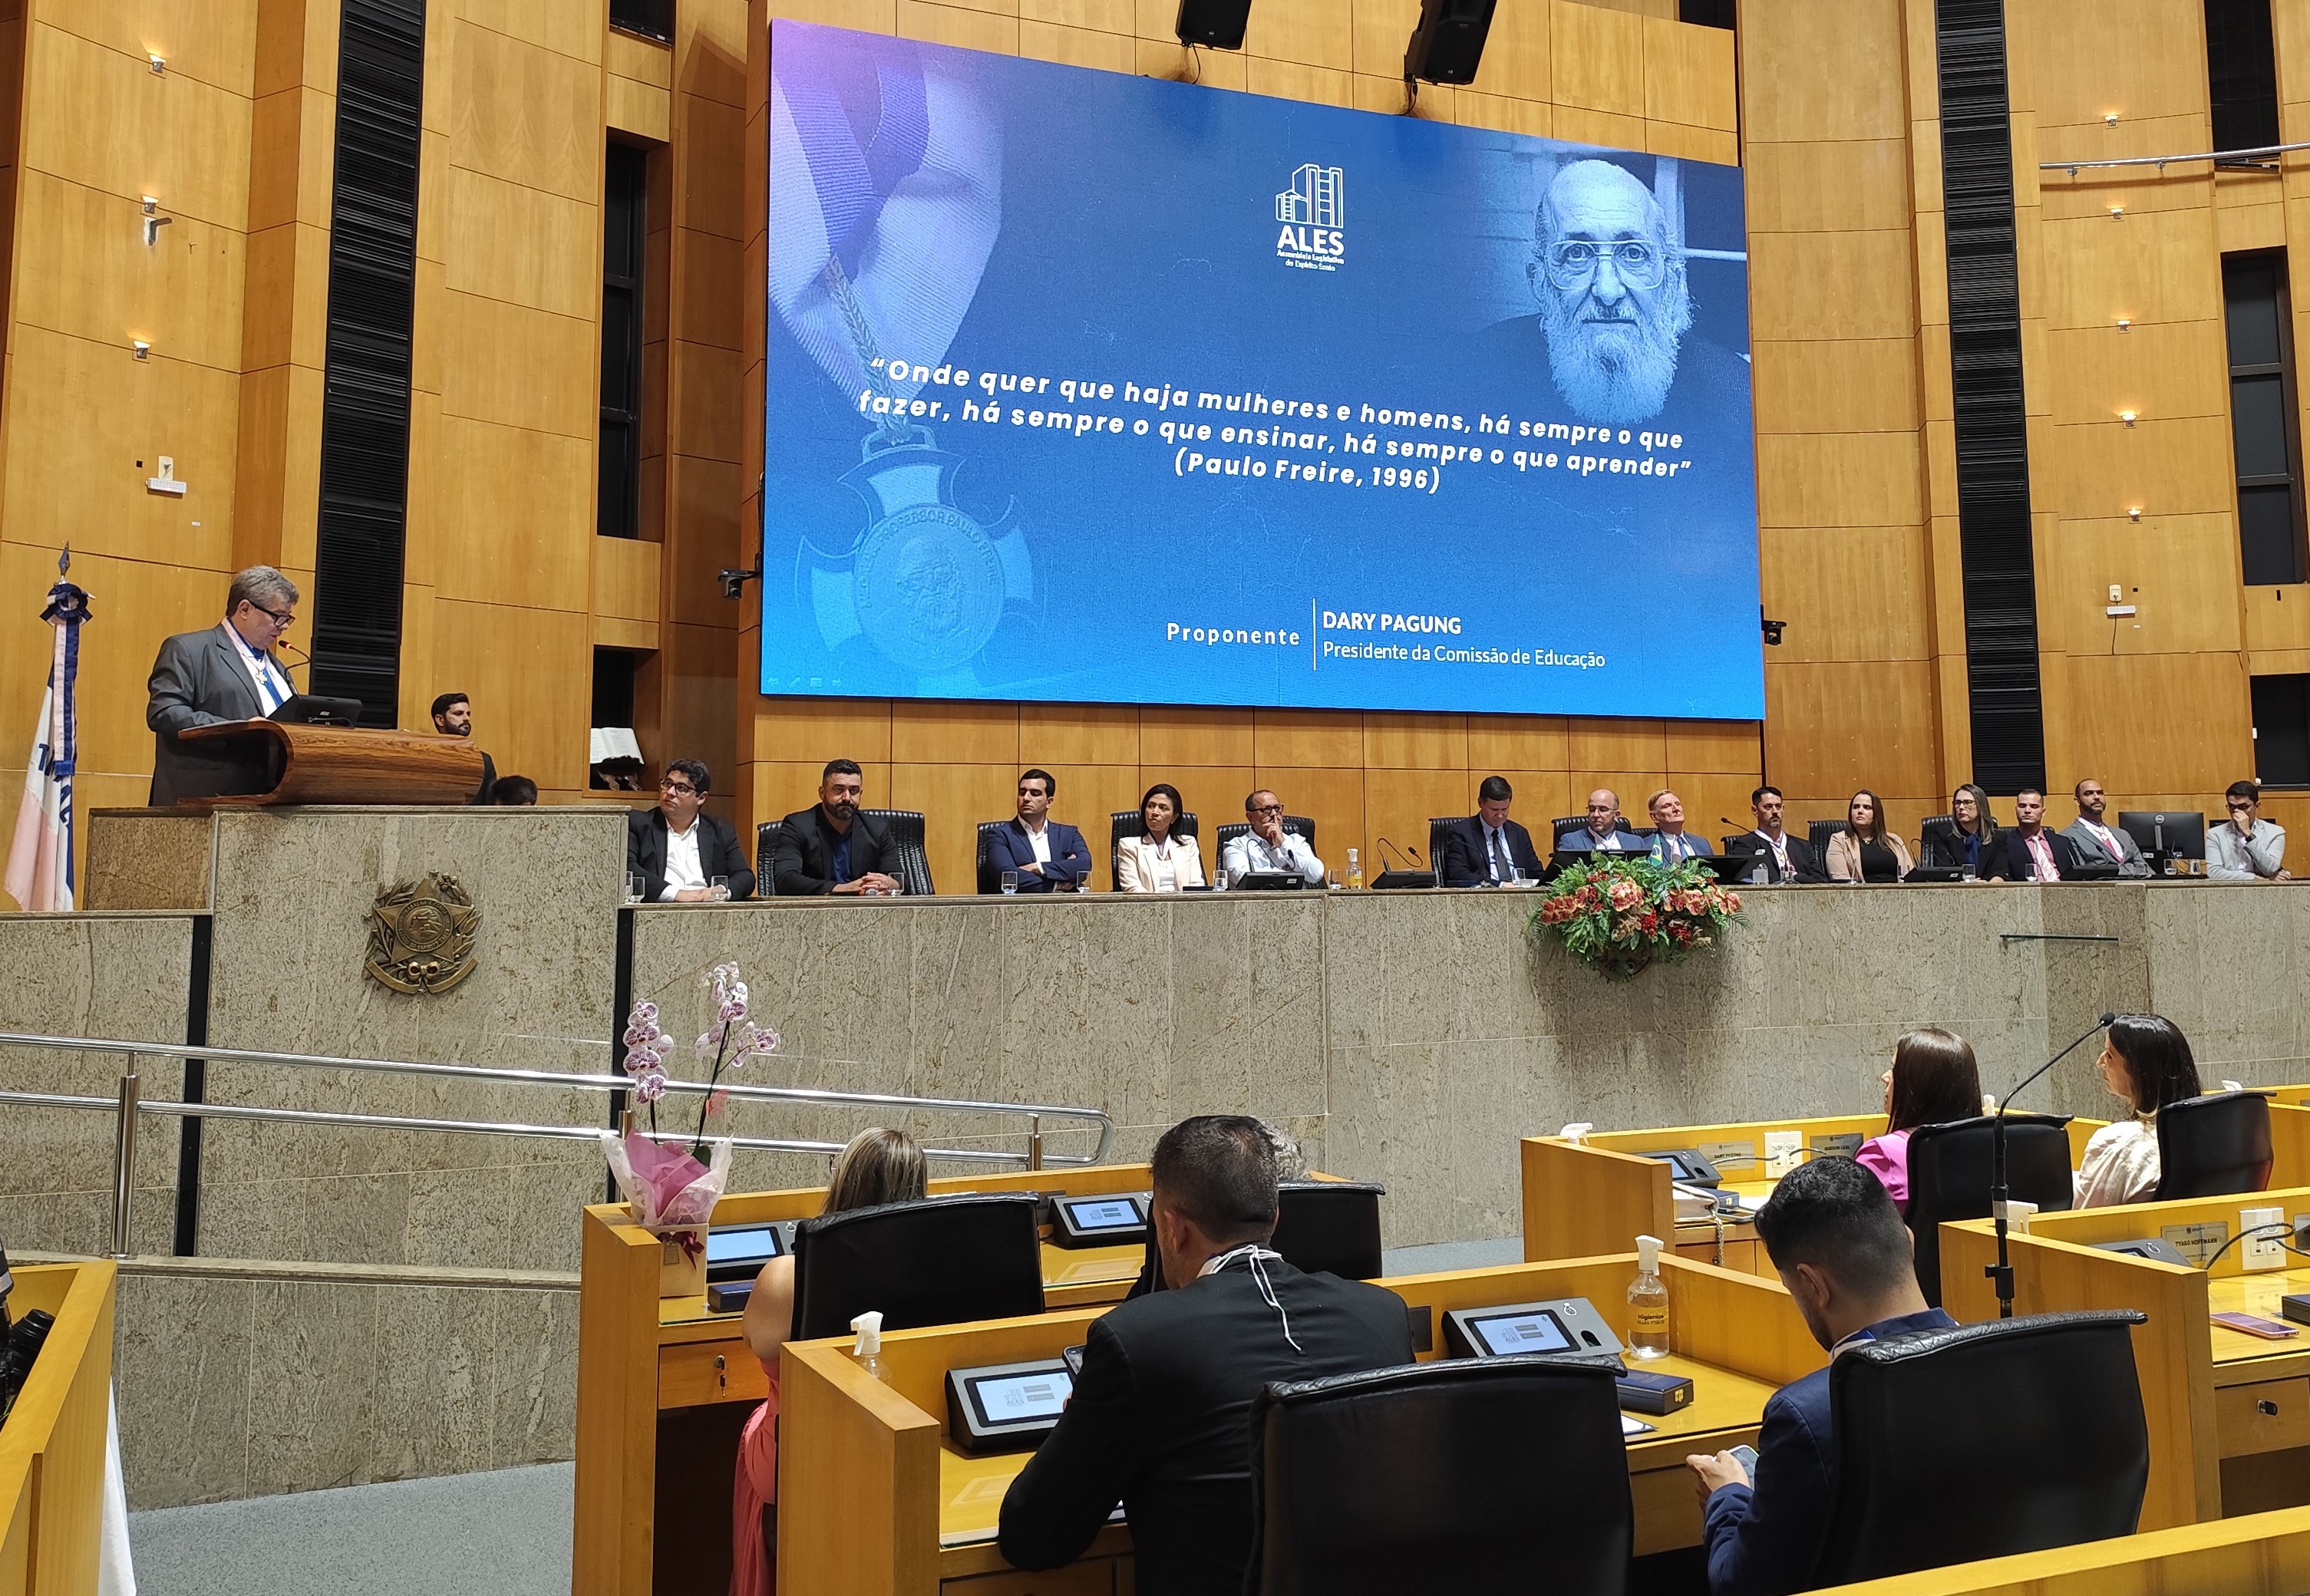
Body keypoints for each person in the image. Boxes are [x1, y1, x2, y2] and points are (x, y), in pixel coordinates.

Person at [998, 1116, 1414, 1594]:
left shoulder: (1136, 1340)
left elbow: (1032, 1536)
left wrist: (1080, 1433)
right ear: (1274, 1218)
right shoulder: (1382, 1315)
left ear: (1171, 1230)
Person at [1686, 1157, 1953, 1596]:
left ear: (1813, 1286)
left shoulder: (1810, 1414)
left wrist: (1728, 1497)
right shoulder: (2009, 1368)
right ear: (1908, 1242)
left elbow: (1741, 1587)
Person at [734, 1127, 927, 1596]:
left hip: (795, 1460)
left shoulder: (788, 1277)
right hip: (905, 1455)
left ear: (842, 1182)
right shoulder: (939, 1271)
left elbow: (754, 1338)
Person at [1476, 160, 1748, 428]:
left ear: (1672, 280)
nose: (1608, 292)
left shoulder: (1735, 394)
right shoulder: (1475, 374)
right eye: (1576, 254)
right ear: (1538, 280)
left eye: (1633, 253)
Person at [145, 565, 303, 804]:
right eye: (278, 616)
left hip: (268, 800)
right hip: (205, 800)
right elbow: (164, 713)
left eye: (288, 618)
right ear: (245, 609)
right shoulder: (189, 650)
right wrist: (240, 728)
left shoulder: (278, 668)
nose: (284, 626)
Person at [2075, 1014, 2203, 1208]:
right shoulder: (2210, 1132)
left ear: (2140, 1070)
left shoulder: (2117, 1142)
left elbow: (2083, 1219)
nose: (2100, 1062)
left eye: (2110, 1055)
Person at [1854, 1028, 1984, 1212]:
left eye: (1895, 1069)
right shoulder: (1986, 1151)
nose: (1885, 1077)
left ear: (1918, 1084)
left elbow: (1852, 1230)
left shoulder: (1882, 1155)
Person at [769, 759, 905, 896]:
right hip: (815, 912)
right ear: (822, 793)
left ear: (861, 794)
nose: (846, 797)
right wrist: (840, 888)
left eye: (853, 791)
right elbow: (785, 880)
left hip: (866, 911)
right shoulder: (798, 826)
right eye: (839, 790)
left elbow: (900, 879)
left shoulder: (877, 828)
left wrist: (891, 884)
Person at [628, 759, 754, 902]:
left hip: (708, 912)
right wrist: (675, 894)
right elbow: (628, 868)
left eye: (681, 788)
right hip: (657, 912)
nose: (670, 792)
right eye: (668, 784)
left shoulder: (720, 831)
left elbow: (745, 876)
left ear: (701, 798)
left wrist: (720, 892)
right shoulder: (638, 824)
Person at [984, 769, 1091, 892]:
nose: (1026, 798)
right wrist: (1057, 885)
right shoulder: (999, 835)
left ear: (1049, 802)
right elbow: (1008, 876)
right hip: (1019, 908)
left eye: (1035, 793)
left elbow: (1083, 865)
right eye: (1022, 792)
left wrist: (1038, 867)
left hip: (1067, 908)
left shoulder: (1069, 834)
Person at [1440, 776, 1546, 885]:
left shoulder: (1519, 833)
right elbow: (1459, 874)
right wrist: (1501, 885)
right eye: (1494, 810)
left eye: (1505, 809)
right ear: (1480, 803)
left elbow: (1536, 872)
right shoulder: (1461, 833)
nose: (1500, 815)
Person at [1219, 790, 1325, 887]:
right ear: (1250, 817)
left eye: (1277, 808)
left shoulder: (1296, 841)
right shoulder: (1236, 846)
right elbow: (1245, 881)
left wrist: (1283, 845)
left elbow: (1315, 875)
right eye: (1267, 809)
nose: (1274, 814)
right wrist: (1291, 876)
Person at [1115, 783, 1206, 892]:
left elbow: (1197, 884)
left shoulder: (1188, 843)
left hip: (1184, 906)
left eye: (1163, 808)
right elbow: (1133, 888)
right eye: (1151, 806)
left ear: (1174, 817)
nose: (1154, 812)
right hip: (1147, 906)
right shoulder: (1129, 846)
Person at [1721, 786, 1826, 883]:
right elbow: (1744, 881)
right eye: (1768, 807)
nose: (1775, 811)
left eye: (1778, 806)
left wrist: (1797, 878)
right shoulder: (1745, 846)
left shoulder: (1802, 846)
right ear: (1755, 811)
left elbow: (1821, 881)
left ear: (1783, 809)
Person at [2062, 780, 2149, 876]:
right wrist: (2126, 871)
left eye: (2100, 793)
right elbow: (2081, 873)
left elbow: (2144, 868)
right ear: (2077, 801)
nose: (2097, 797)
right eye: (2089, 794)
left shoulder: (2123, 834)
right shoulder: (2067, 836)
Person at [1824, 790, 1912, 883]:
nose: (1860, 811)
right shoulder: (1839, 840)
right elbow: (1840, 880)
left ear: (1876, 813)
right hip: (1861, 895)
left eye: (1867, 807)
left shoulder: (1894, 840)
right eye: (1856, 807)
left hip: (1898, 894)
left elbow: (1910, 875)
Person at [2209, 780, 2290, 881]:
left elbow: (2270, 869)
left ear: (2257, 806)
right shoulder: (2214, 834)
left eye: (2243, 807)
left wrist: (2248, 834)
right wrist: (2253, 878)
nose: (2236, 812)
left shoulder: (2275, 833)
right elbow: (2214, 873)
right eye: (2232, 807)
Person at [1992, 788, 2079, 882]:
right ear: (2016, 810)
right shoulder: (2005, 842)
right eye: (2022, 806)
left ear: (2043, 811)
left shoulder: (2062, 842)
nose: (2027, 810)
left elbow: (2075, 872)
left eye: (2034, 806)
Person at [1922, 783, 2005, 879]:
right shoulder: (1943, 835)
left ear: (1981, 805)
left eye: (1968, 802)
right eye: (1957, 803)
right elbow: (1946, 873)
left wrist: (1989, 885)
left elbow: (2001, 871)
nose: (1961, 807)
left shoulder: (1999, 838)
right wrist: (1970, 883)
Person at [430, 691, 497, 803]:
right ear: (440, 720)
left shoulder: (484, 760)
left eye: (468, 714)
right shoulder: (429, 757)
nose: (466, 718)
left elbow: (491, 802)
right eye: (458, 713)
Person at [1556, 789, 1645, 854]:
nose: (1595, 815)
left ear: (1616, 815)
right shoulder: (1571, 842)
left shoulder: (1636, 843)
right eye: (1592, 809)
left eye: (1603, 809)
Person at [1648, 789, 1714, 866]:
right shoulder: (1647, 846)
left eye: (1677, 804)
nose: (1676, 809)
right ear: (1655, 817)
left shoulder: (1702, 844)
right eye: (1667, 806)